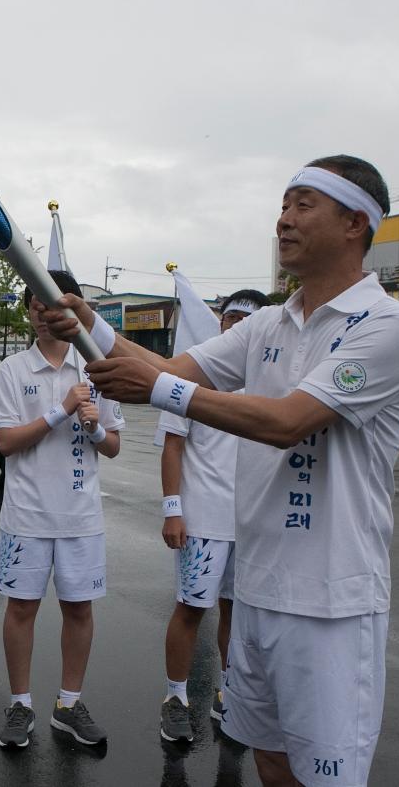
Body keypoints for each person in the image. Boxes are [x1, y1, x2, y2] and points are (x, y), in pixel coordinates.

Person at [45, 156, 399, 787]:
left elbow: (287, 420)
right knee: (270, 763)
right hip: (256, 591)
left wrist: (160, 390)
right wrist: (93, 325)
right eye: (282, 205)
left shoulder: (390, 326)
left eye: (303, 204)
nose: (283, 220)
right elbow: (173, 366)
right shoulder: (270, 324)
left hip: (331, 603)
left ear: (356, 222)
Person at [0, 270, 123, 750]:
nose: (45, 316)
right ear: (29, 312)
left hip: (80, 516)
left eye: (54, 307)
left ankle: (69, 703)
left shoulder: (96, 367)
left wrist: (92, 428)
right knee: (22, 608)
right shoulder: (12, 371)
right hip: (26, 515)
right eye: (36, 307)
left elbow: (112, 446)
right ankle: (20, 704)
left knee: (79, 609)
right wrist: (62, 410)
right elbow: (6, 442)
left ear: (72, 310)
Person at [156, 288, 271, 744]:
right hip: (203, 518)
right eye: (231, 318)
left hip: (250, 522)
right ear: (220, 323)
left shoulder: (269, 381)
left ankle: (229, 694)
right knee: (190, 610)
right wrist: (172, 510)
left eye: (247, 320)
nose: (236, 326)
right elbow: (173, 447)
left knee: (236, 615)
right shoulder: (194, 378)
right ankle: (176, 698)